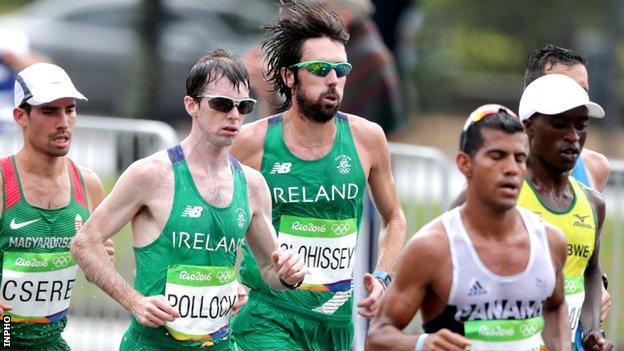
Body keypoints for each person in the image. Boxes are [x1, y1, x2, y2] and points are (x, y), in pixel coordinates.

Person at [70, 49, 306, 351]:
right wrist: (134, 302)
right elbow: (84, 243)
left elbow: (271, 270)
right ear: (191, 105)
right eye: (222, 104)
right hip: (154, 345)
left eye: (243, 106)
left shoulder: (252, 185)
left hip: (219, 344)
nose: (234, 115)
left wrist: (290, 274)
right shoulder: (151, 175)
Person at [230, 1, 406, 350]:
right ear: (288, 75)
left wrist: (383, 277)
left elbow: (395, 218)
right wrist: (224, 279)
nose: (333, 80)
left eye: (341, 69)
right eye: (320, 69)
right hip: (269, 316)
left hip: (335, 321)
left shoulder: (367, 139)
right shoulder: (252, 143)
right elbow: (212, 214)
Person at [366, 105, 570, 350]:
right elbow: (377, 337)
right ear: (464, 164)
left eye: (519, 158)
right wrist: (422, 344)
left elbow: (556, 306)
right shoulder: (432, 248)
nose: (511, 169)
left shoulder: (550, 241)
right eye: (497, 156)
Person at [0, 62, 111, 350]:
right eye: (49, 112)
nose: (63, 122)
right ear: (21, 116)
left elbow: (96, 268)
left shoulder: (88, 184)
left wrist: (100, 261)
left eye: (70, 110)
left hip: (51, 342)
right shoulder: (2, 183)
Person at [516, 74, 614, 350]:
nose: (573, 136)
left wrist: (592, 329)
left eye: (581, 125)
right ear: (529, 128)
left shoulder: (593, 203)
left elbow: (590, 271)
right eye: (560, 124)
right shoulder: (499, 197)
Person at [245, 0, 404, 136]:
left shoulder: (367, 57)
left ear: (343, 17)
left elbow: (319, 126)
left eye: (318, 12)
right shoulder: (351, 48)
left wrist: (273, 90)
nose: (306, 21)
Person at [524, 44, 610, 193]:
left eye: (582, 91)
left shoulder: (596, 167)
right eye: (562, 89)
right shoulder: (504, 166)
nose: (575, 99)